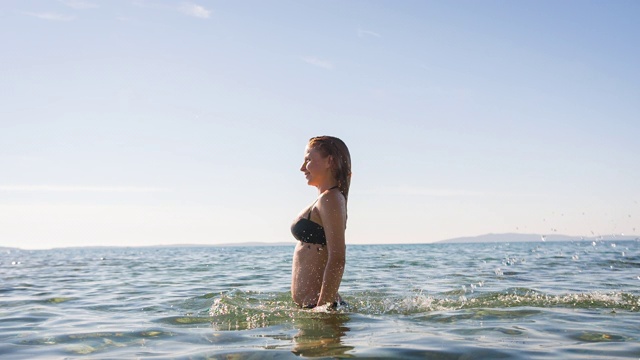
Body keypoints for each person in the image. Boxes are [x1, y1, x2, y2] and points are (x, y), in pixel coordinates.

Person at [290, 136, 351, 309]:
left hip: (321, 308)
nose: (302, 168)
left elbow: (338, 258)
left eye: (308, 160)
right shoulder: (325, 199)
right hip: (313, 307)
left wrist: (322, 309)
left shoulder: (331, 199)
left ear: (329, 161)